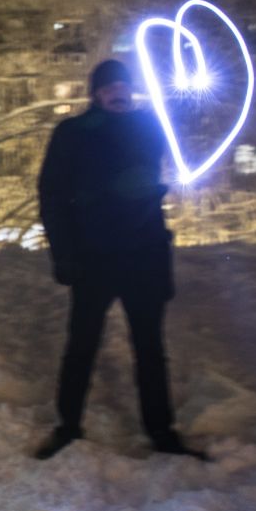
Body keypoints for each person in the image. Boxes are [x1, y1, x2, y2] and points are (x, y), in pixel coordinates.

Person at [34, 59, 205, 461]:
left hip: (143, 256)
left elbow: (185, 126)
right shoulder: (72, 134)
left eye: (124, 86)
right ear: (96, 93)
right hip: (93, 259)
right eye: (110, 87)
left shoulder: (148, 126)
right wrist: (64, 253)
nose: (118, 92)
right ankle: (68, 425)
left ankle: (161, 431)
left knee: (149, 348)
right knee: (82, 344)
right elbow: (52, 198)